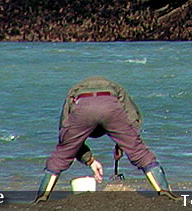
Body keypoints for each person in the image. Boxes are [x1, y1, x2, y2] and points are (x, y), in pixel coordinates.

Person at [34, 76, 177, 202]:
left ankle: (42, 197)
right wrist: (122, 143)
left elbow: (65, 136)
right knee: (140, 152)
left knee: (62, 154)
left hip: (82, 106)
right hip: (110, 104)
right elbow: (133, 119)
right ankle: (164, 192)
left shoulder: (73, 91)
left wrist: (89, 160)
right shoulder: (117, 88)